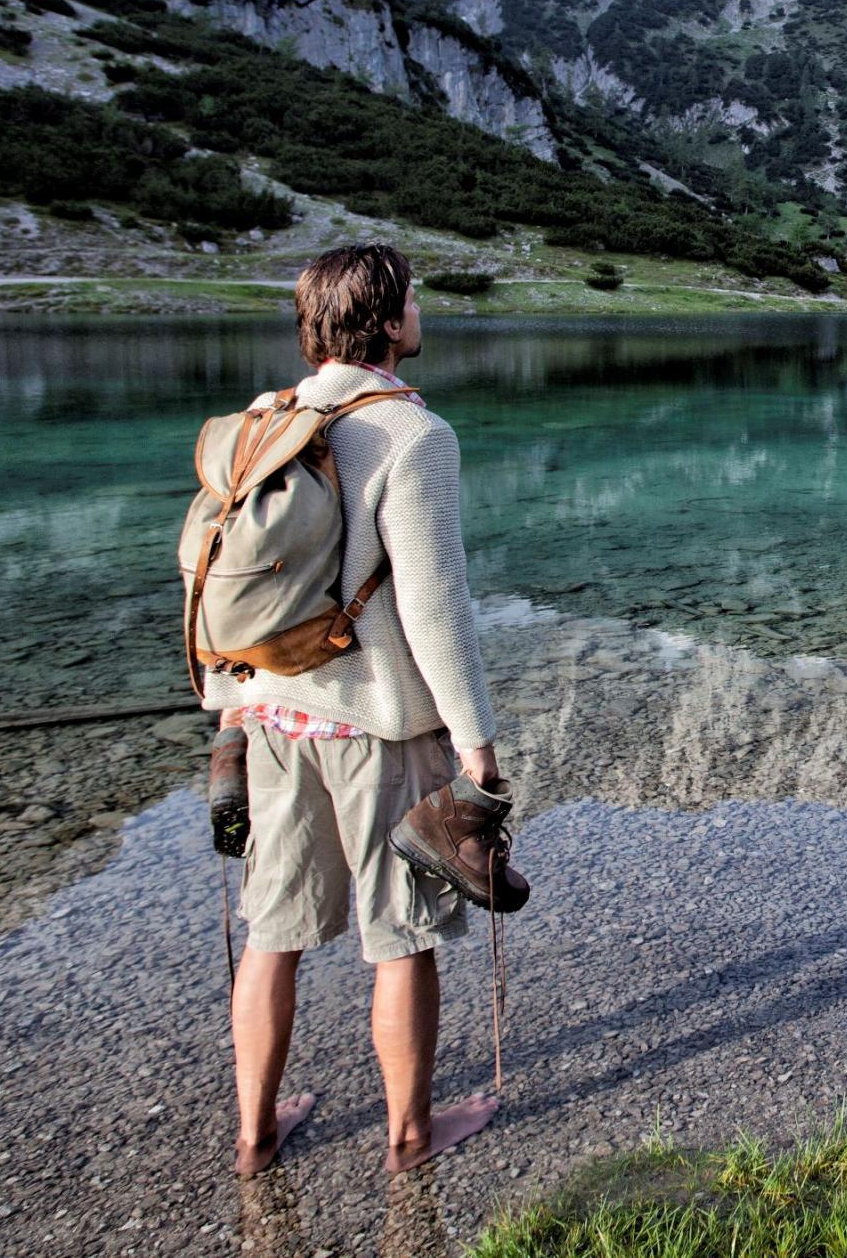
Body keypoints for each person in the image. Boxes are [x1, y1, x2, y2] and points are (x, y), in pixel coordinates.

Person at [217, 243, 504, 1178]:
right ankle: (410, 1135)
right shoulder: (413, 436)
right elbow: (433, 604)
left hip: (269, 715)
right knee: (403, 932)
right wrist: (475, 742)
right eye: (413, 299)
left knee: (275, 928)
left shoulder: (272, 416)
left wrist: (229, 710)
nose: (422, 310)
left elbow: (226, 579)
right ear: (386, 320)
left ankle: (257, 1135)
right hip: (377, 726)